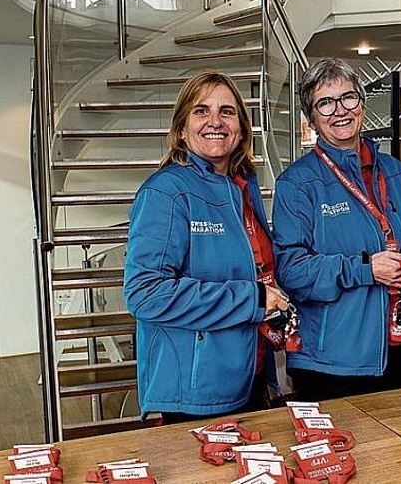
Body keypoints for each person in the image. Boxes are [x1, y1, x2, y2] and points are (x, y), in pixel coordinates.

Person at [123, 71, 289, 423]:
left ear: (242, 128)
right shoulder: (166, 192)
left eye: (227, 112)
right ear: (182, 128)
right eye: (201, 111)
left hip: (250, 374)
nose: (215, 121)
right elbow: (145, 293)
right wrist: (252, 299)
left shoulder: (242, 188)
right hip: (198, 393)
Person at [272, 58, 401, 401]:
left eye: (348, 97)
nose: (340, 111)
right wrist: (366, 269)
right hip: (332, 363)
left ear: (362, 104)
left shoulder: (395, 172)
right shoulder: (297, 183)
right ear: (312, 117)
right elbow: (291, 270)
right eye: (325, 103)